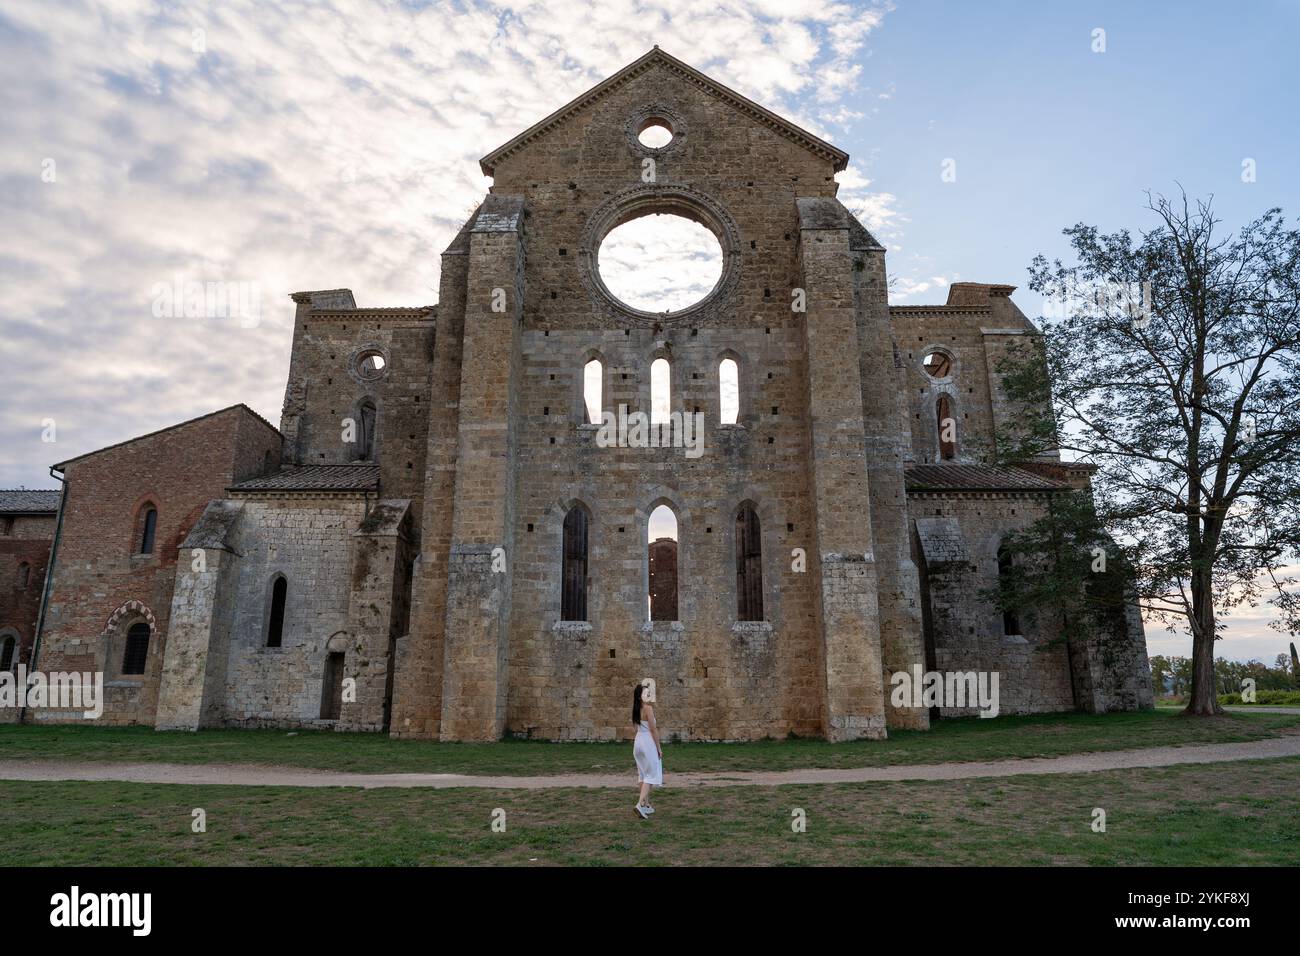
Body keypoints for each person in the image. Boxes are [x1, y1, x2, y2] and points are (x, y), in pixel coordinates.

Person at [632, 682, 662, 819]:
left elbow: (636, 727)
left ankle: (646, 805)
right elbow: (653, 729)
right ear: (640, 696)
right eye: (645, 693)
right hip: (647, 742)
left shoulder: (635, 709)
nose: (648, 695)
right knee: (651, 773)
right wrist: (658, 748)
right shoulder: (648, 709)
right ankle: (639, 804)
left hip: (638, 741)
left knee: (642, 774)